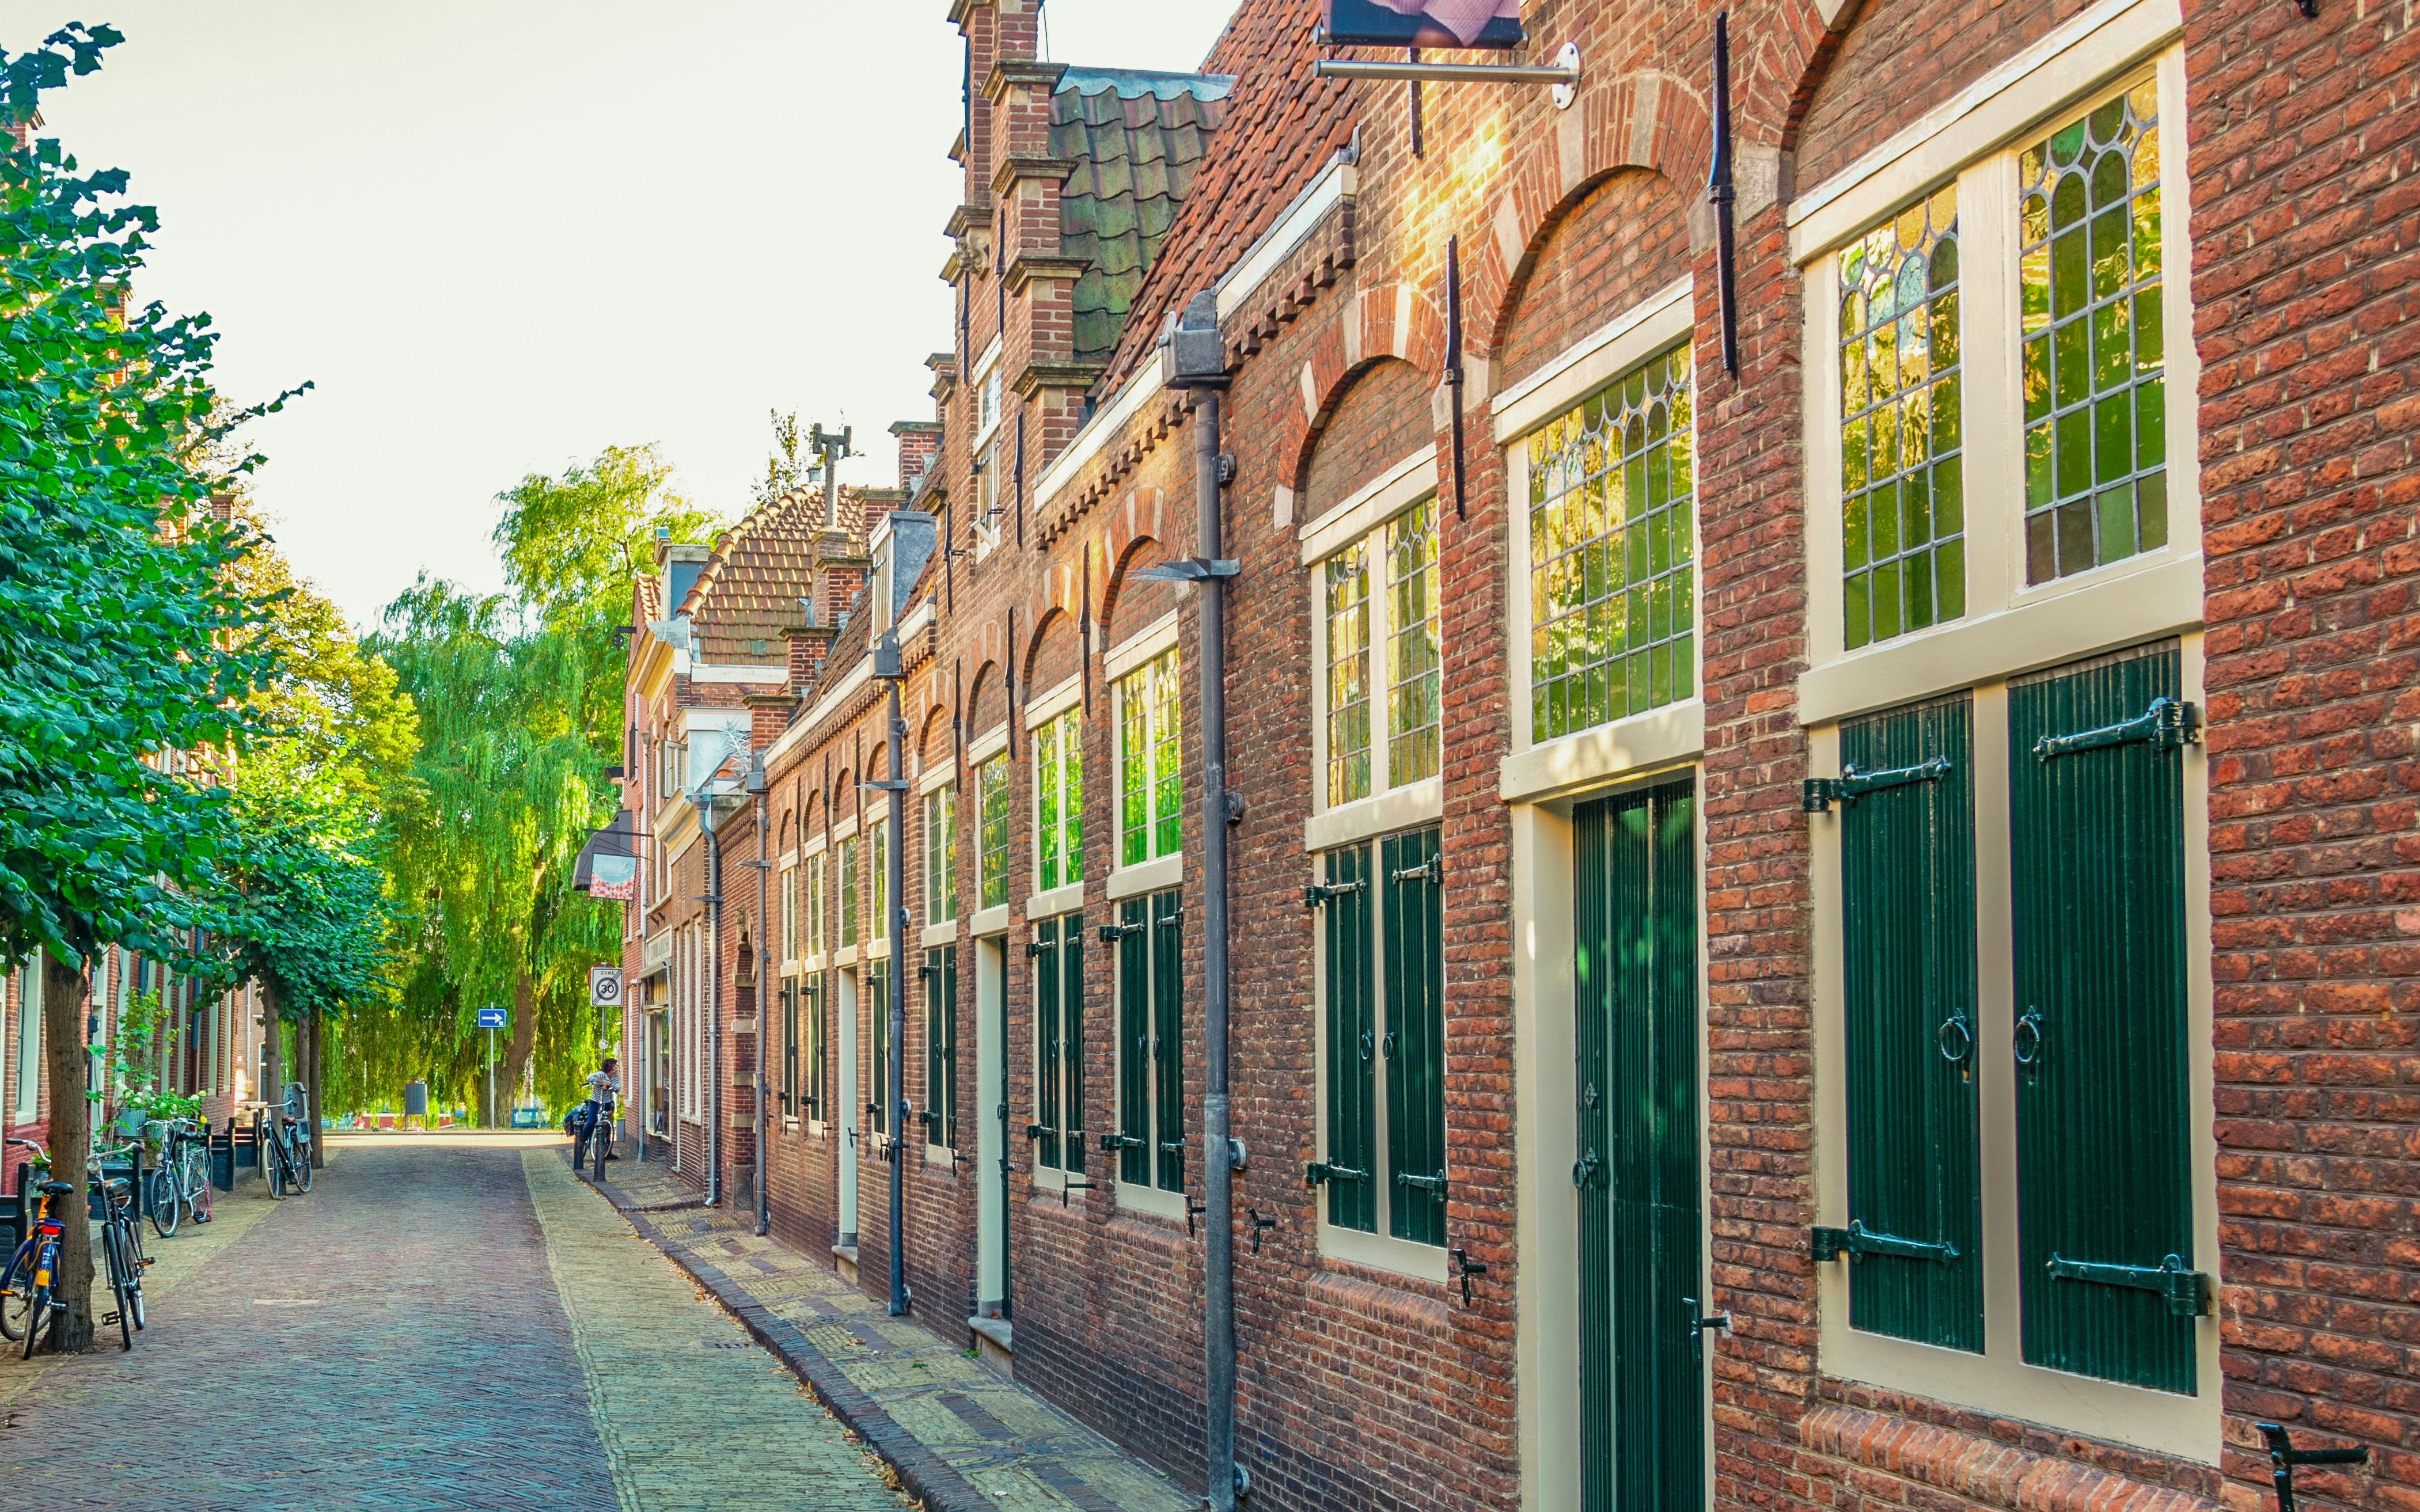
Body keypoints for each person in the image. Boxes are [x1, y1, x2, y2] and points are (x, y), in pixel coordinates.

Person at [577, 1058, 620, 1173]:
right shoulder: (601, 1074)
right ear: (609, 1066)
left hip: (607, 1103)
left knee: (607, 1126)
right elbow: (589, 1078)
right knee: (591, 1122)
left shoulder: (615, 1077)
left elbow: (618, 1086)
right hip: (596, 1102)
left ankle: (607, 1151)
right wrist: (602, 1082)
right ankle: (581, 1145)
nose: (616, 1068)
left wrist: (611, 1085)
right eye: (614, 1066)